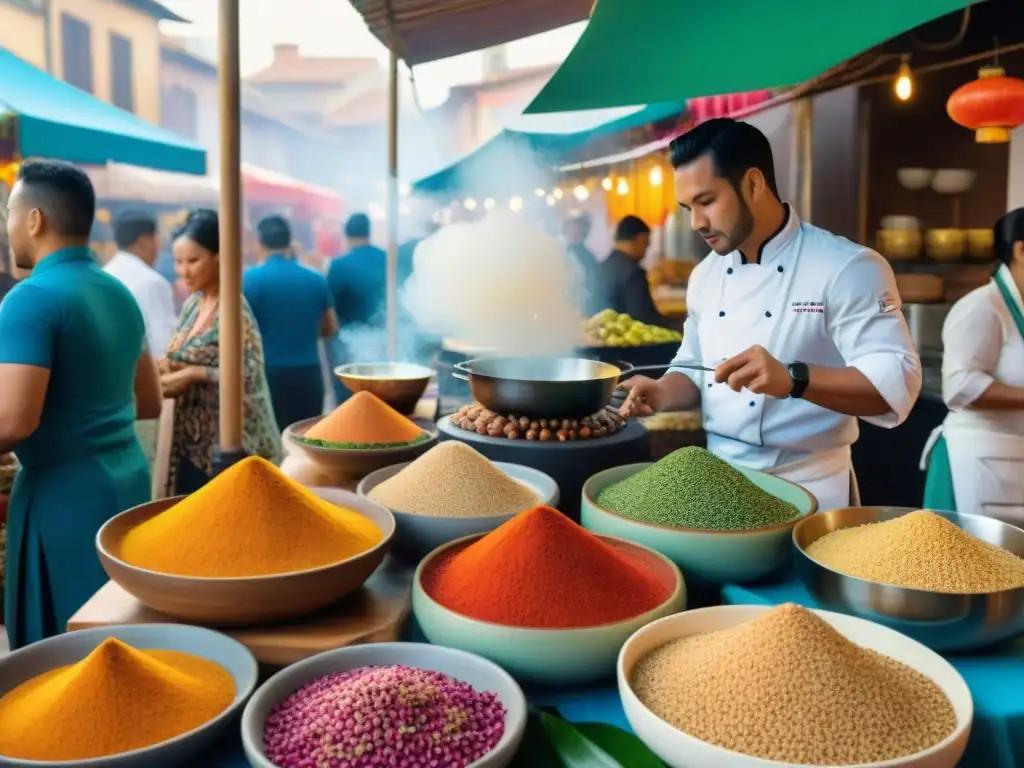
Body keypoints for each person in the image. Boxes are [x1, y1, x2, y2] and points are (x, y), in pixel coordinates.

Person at [620, 118, 921, 511]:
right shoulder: (705, 276)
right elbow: (695, 369)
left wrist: (794, 379)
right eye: (687, 207)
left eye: (707, 201)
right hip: (719, 483)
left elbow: (896, 387)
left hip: (813, 486)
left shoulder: (848, 267)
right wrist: (661, 391)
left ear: (754, 184)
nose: (696, 223)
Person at [0, 160, 162, 649]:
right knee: (126, 645)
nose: (6, 225)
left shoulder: (30, 300)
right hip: (129, 485)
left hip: (62, 501)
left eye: (9, 210)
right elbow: (150, 400)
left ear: (34, 220)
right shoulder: (119, 294)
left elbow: (12, 421)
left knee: (66, 660)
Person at [161, 209, 281, 496]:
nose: (183, 271)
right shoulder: (193, 304)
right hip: (190, 447)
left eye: (193, 261)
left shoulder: (233, 311)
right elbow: (178, 355)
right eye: (178, 261)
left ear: (218, 258)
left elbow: (248, 377)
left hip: (229, 448)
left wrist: (196, 374)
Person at [922, 208, 1024, 520]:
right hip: (973, 465)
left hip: (1009, 464)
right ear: (1021, 250)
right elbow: (960, 387)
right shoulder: (981, 307)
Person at [244, 214, 338, 430]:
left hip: (267, 375)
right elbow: (330, 327)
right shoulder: (315, 278)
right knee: (305, 440)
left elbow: (240, 331)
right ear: (289, 240)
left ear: (258, 242)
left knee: (273, 440)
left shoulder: (250, 279)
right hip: (309, 374)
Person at [325, 213, 387, 403]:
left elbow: (330, 305)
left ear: (347, 235)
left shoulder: (339, 265)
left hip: (347, 343)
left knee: (350, 400)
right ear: (369, 232)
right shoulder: (387, 259)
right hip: (384, 338)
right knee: (381, 396)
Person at [105, 210, 179, 356]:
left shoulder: (104, 275)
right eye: (157, 241)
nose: (158, 249)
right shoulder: (153, 282)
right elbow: (162, 345)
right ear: (144, 243)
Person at [594, 215, 682, 329]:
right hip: (629, 341)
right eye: (645, 245)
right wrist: (682, 324)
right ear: (637, 239)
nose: (645, 253)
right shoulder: (633, 273)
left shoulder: (601, 268)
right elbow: (644, 319)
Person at [563, 212, 600, 315]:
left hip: (585, 310)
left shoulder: (588, 256)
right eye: (575, 227)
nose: (578, 231)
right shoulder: (557, 253)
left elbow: (594, 285)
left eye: (583, 228)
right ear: (565, 228)